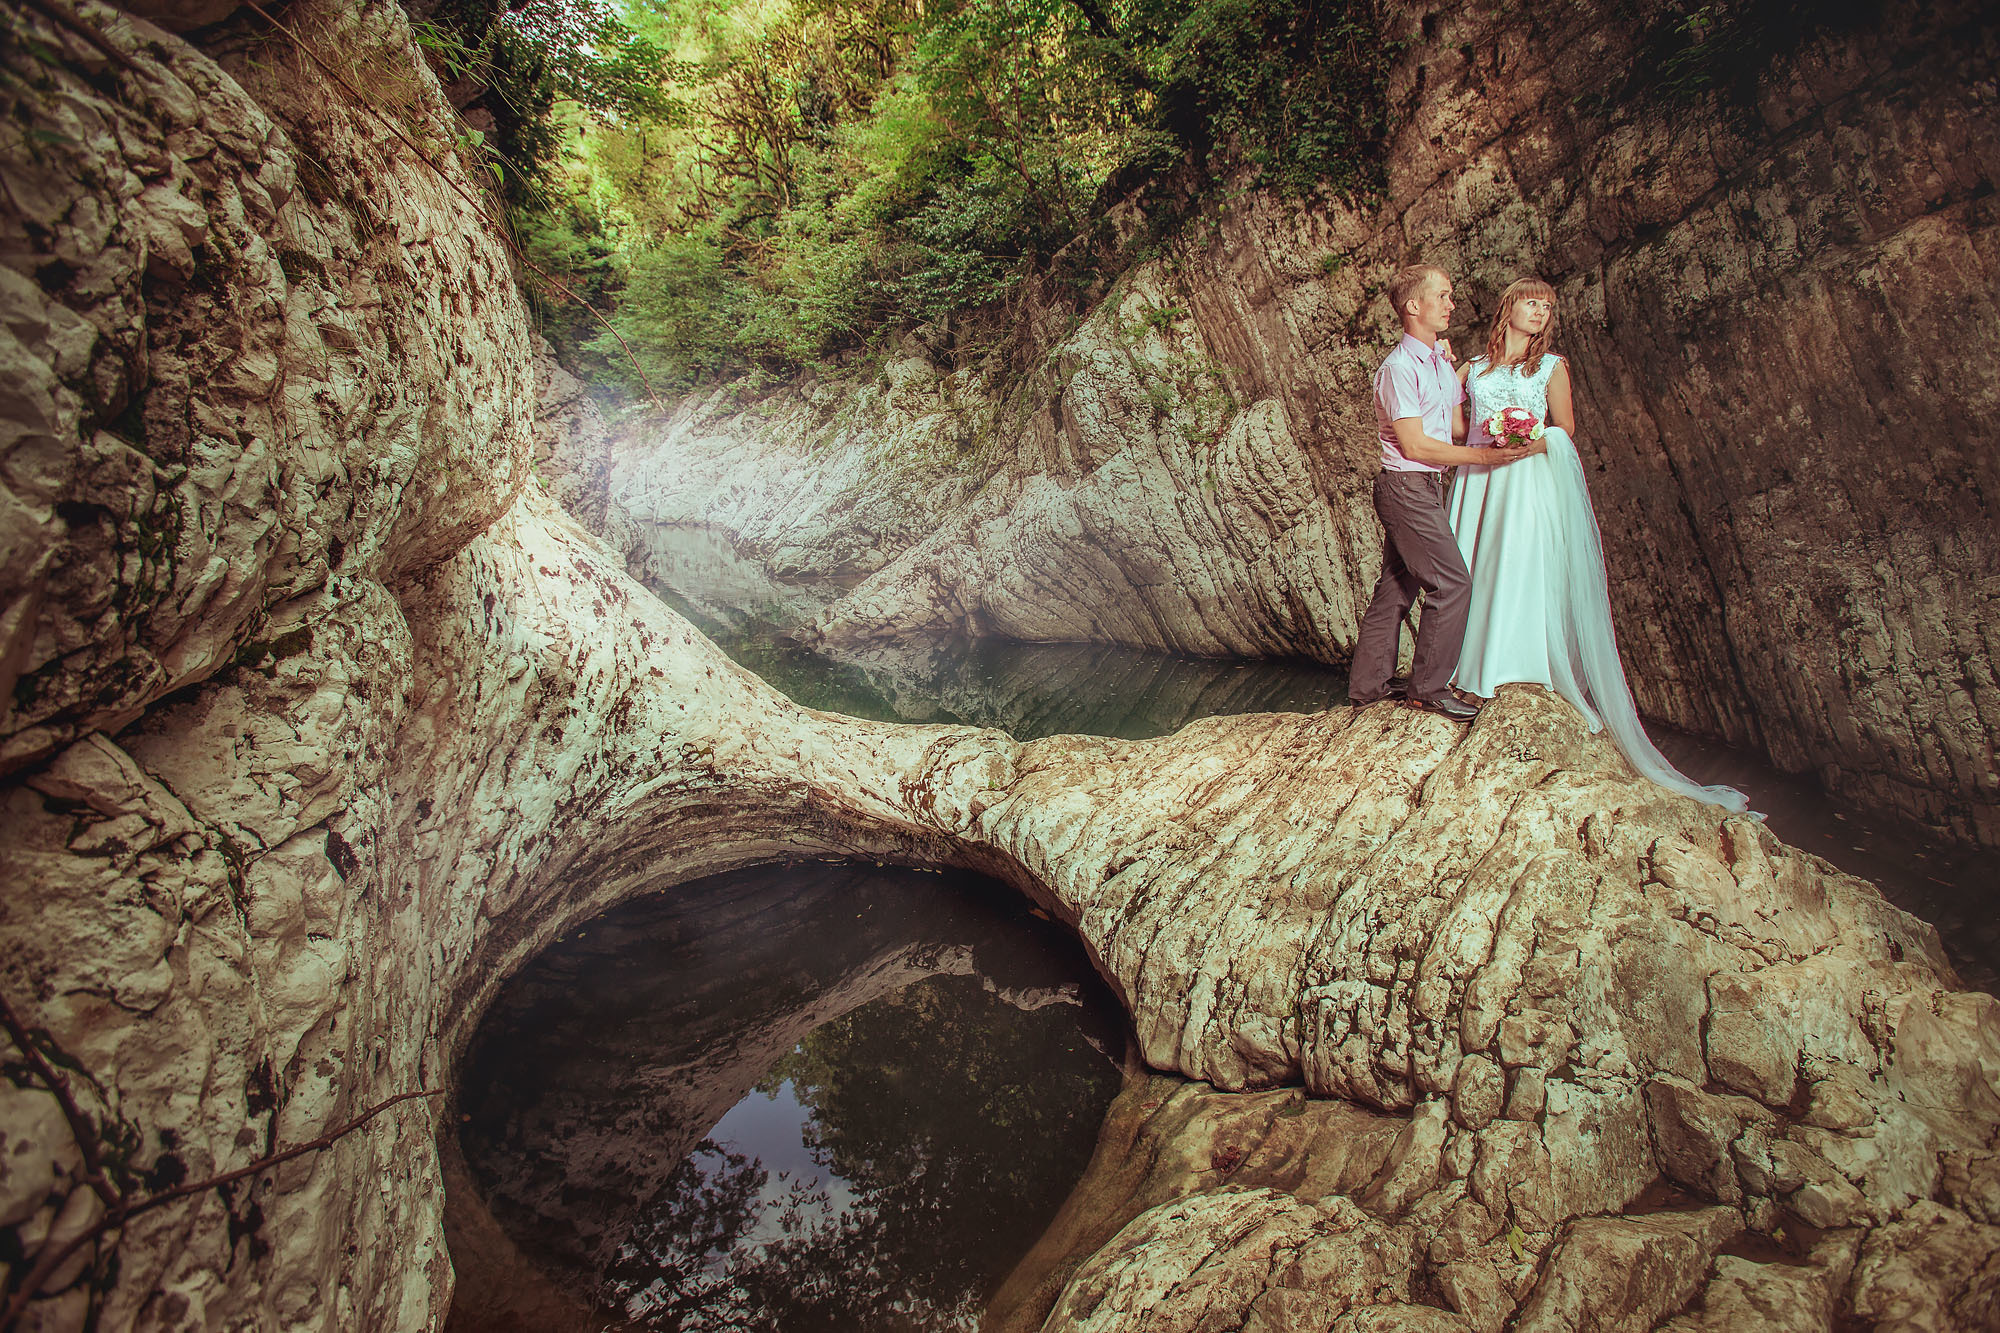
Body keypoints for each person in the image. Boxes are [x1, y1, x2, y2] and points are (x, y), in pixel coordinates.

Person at [1448, 277, 1750, 811]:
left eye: (1547, 305)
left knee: (1517, 565)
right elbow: (1452, 429)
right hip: (1479, 478)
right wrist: (1465, 408)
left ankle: (1511, 666)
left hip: (1524, 478)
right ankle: (1463, 670)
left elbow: (1564, 428)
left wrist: (1518, 439)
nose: (1540, 312)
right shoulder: (1472, 368)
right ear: (1509, 306)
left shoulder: (1551, 367)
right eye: (1531, 302)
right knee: (1473, 565)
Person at [1350, 264, 1533, 720]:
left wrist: (1506, 424)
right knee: (1452, 584)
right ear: (1415, 306)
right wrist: (1486, 459)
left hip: (1425, 486)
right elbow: (1414, 443)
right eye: (1444, 296)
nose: (1452, 304)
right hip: (1405, 487)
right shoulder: (1396, 369)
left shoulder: (1437, 363)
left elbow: (1454, 427)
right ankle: (1427, 689)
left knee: (1396, 587)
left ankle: (1369, 686)